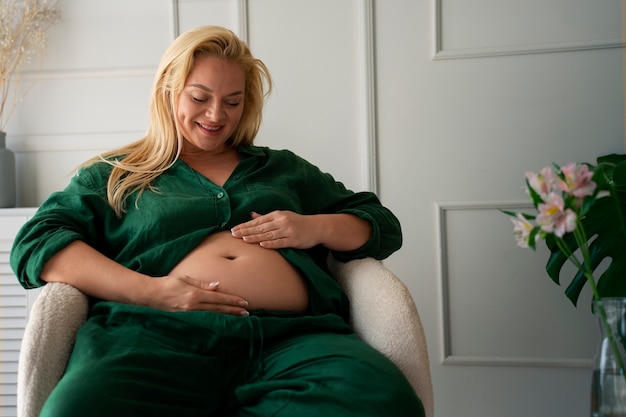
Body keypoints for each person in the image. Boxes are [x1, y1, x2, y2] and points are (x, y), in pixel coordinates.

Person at [10, 25, 424, 417]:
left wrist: (313, 227)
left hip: (294, 338)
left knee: (386, 402)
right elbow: (38, 243)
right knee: (78, 409)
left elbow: (379, 223)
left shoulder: (283, 169)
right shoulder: (115, 174)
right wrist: (153, 292)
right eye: (199, 97)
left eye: (232, 101)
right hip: (152, 337)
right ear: (169, 91)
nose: (216, 114)